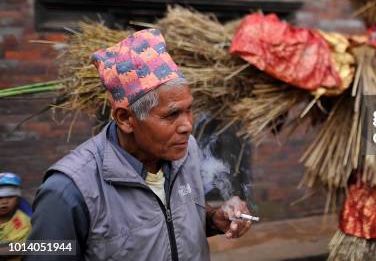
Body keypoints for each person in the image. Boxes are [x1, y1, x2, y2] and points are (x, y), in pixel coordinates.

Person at [27, 29, 252, 260]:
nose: (187, 126)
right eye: (172, 114)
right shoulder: (67, 191)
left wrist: (214, 220)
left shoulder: (186, 150)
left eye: (189, 110)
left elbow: (168, 222)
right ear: (125, 119)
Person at [0, 172, 32, 261]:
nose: (4, 202)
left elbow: (15, 249)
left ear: (18, 199)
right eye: (0, 198)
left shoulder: (23, 224)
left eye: (10, 196)